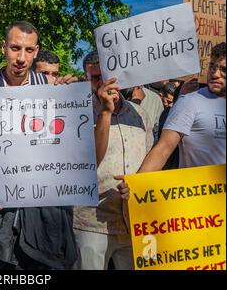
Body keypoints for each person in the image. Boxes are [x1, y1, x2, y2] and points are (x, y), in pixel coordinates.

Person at [0, 21, 78, 270]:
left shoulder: (52, 91)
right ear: (3, 48)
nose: (21, 58)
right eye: (15, 48)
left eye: (29, 50)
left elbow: (58, 158)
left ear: (36, 50)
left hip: (40, 215)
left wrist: (73, 101)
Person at [73, 50, 153, 270]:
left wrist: (139, 185)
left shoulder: (139, 114)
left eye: (105, 76)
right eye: (95, 78)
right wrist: (105, 113)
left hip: (133, 222)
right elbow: (86, 165)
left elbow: (151, 159)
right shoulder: (77, 113)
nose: (102, 84)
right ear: (87, 79)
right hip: (92, 222)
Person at [118, 42, 226, 199]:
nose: (215, 74)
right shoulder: (190, 102)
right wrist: (136, 184)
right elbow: (164, 148)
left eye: (223, 70)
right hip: (200, 205)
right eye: (212, 67)